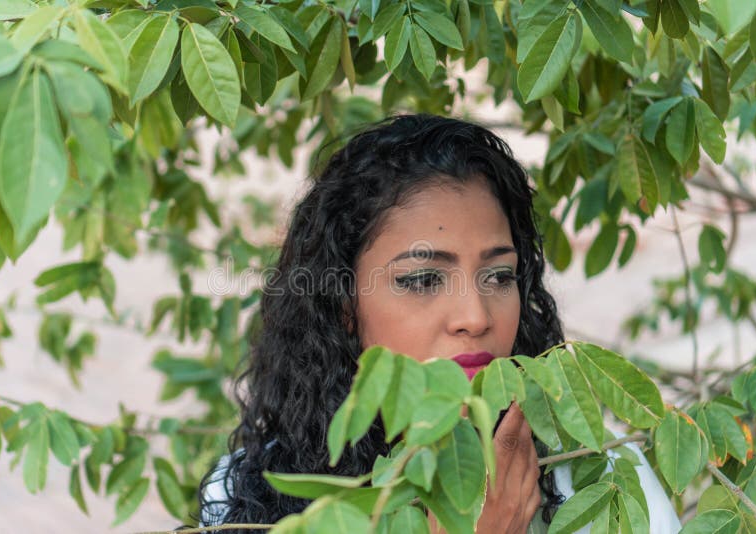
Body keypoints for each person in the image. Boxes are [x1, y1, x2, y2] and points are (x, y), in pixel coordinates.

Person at [196, 114, 680, 533]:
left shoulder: (605, 476)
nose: (475, 317)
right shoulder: (246, 495)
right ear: (344, 302)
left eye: (499, 275)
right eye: (424, 279)